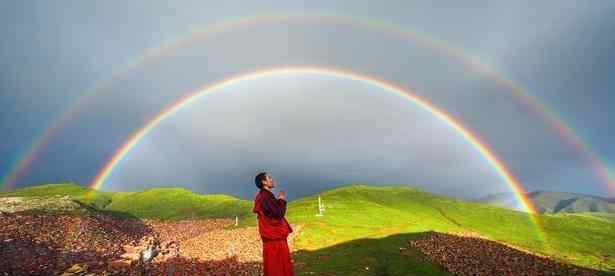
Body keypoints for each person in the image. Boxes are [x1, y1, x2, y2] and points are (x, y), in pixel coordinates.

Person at [253, 172, 294, 276]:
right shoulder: (265, 197)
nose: (272, 180)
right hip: (275, 240)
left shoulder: (263, 196)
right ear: (264, 182)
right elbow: (278, 214)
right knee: (278, 269)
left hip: (271, 240)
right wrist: (281, 199)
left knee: (274, 269)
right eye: (269, 178)